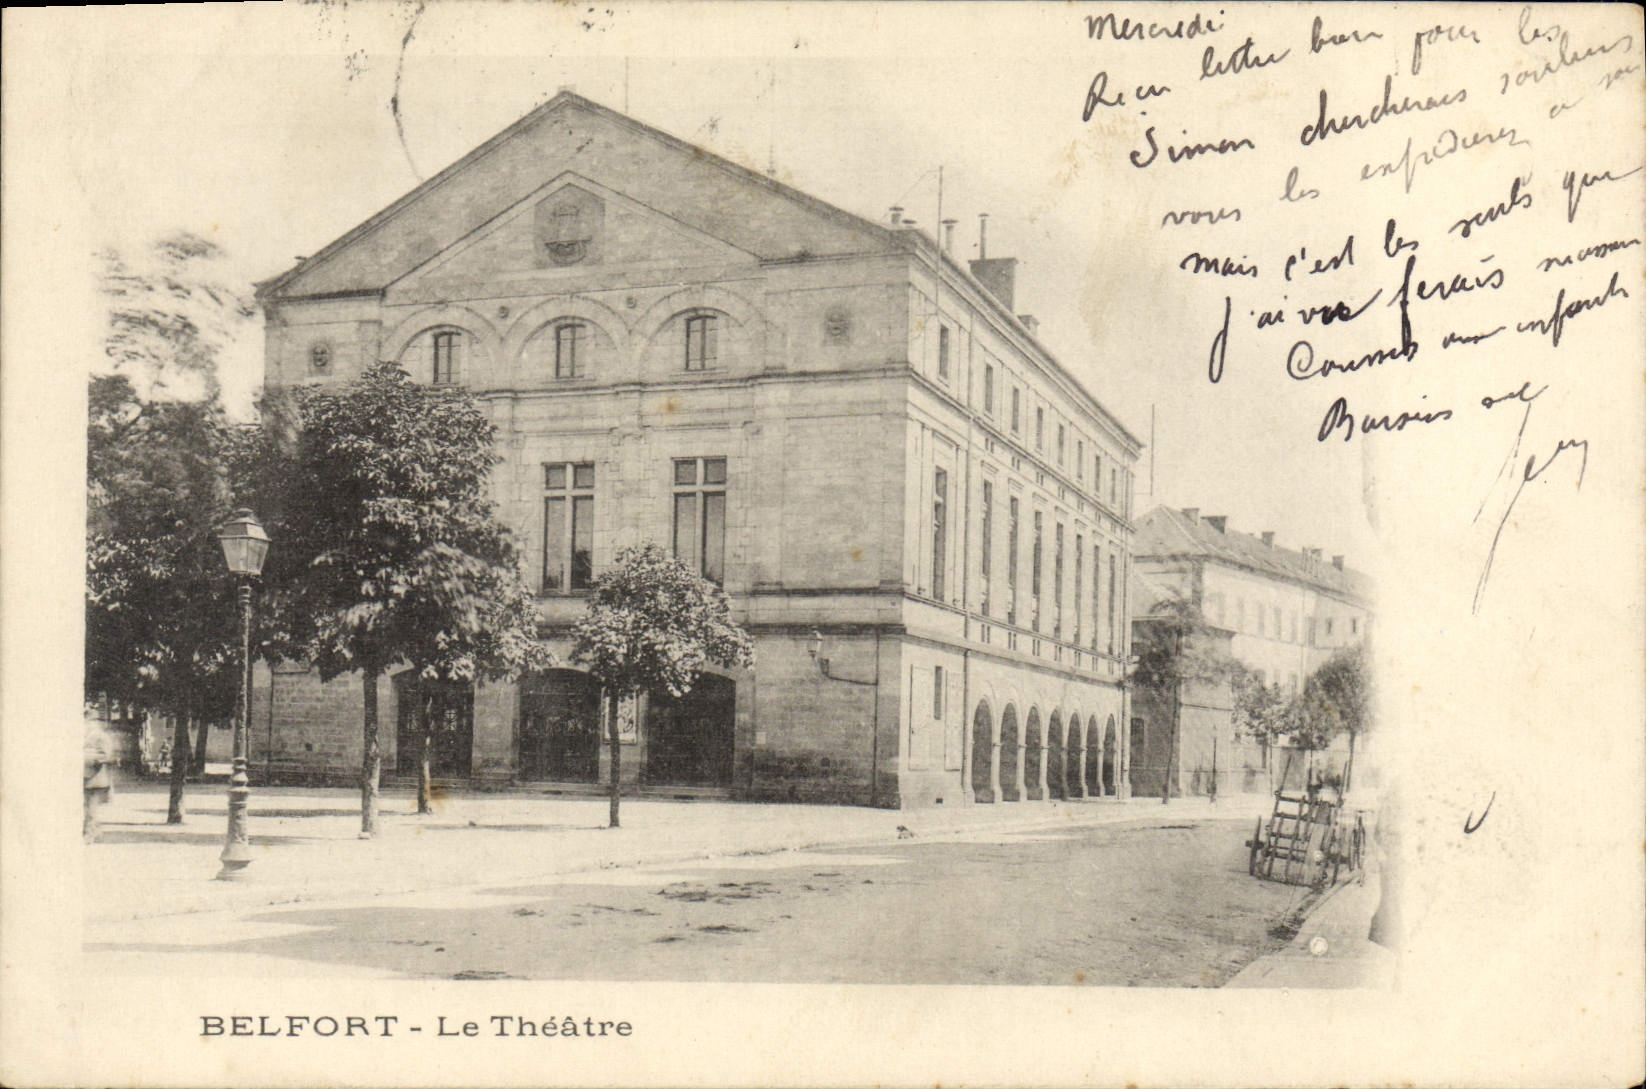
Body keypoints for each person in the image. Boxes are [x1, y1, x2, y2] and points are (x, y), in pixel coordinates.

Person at [83, 713, 116, 841]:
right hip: (85, 777)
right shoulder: (84, 736)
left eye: (88, 721)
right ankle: (94, 831)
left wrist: (85, 758)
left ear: (94, 722)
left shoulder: (102, 737)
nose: (85, 724)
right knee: (86, 807)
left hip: (95, 778)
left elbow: (105, 755)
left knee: (91, 809)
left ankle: (89, 834)